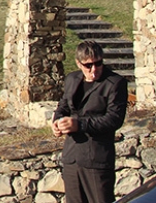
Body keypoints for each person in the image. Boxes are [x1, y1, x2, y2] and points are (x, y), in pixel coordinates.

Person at [52, 40, 128, 203]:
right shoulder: (72, 79)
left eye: (98, 63)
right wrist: (57, 122)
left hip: (96, 160)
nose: (94, 69)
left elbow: (114, 119)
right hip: (72, 157)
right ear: (78, 63)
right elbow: (63, 106)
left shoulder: (115, 83)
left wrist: (79, 125)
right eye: (88, 65)